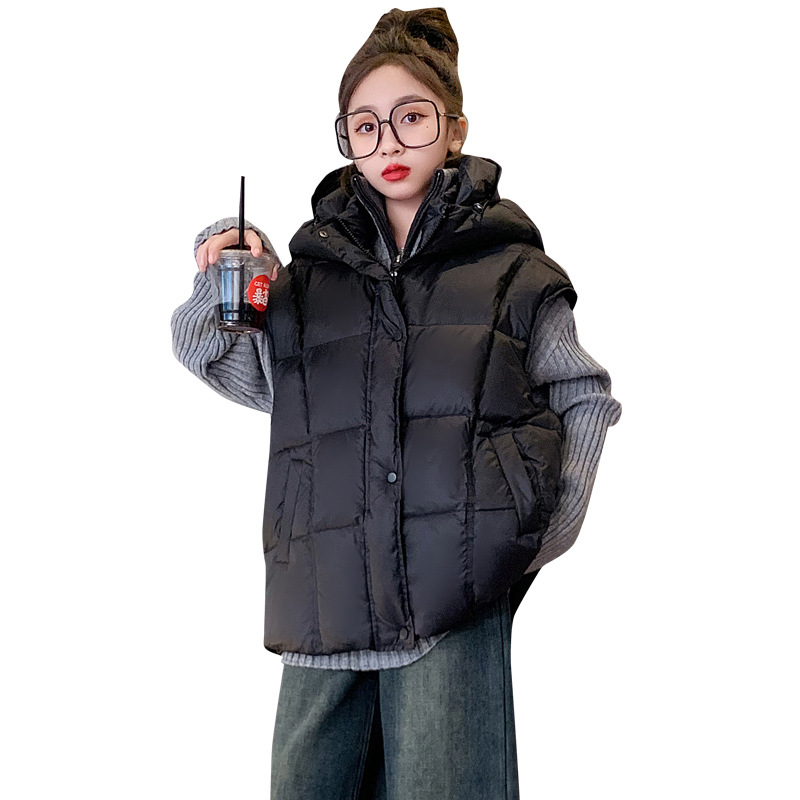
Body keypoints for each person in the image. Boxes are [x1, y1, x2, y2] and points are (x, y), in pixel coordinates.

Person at [171, 7, 622, 799]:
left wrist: (532, 531)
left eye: (411, 118)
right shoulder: (310, 282)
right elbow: (220, 360)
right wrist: (229, 266)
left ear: (454, 129)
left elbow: (582, 392)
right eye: (365, 125)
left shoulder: (514, 273)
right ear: (346, 139)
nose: (388, 143)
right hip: (325, 603)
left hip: (455, 595)